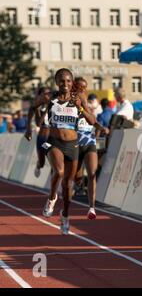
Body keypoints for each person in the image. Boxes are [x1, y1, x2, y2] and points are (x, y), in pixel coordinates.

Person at [32, 68, 96, 235]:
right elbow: (33, 106)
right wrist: (29, 126)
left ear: (72, 82)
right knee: (59, 171)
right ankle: (52, 198)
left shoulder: (79, 98)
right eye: (62, 81)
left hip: (73, 144)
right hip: (53, 142)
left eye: (68, 81)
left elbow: (92, 120)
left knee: (68, 185)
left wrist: (80, 108)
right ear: (56, 82)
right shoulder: (49, 97)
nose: (65, 84)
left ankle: (65, 215)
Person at [74, 78, 109, 220]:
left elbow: (92, 120)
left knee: (92, 173)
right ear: (74, 87)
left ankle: (91, 208)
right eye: (80, 87)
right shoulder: (69, 103)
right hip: (75, 143)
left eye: (85, 87)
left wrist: (100, 127)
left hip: (89, 141)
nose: (83, 90)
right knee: (77, 178)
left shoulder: (84, 104)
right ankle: (78, 183)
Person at [25, 87, 53, 177]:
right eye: (44, 94)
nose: (47, 96)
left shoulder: (55, 105)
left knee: (53, 159)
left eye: (48, 94)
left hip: (51, 139)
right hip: (42, 138)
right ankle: (38, 165)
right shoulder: (38, 107)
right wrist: (45, 111)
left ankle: (55, 185)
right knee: (42, 162)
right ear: (40, 95)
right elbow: (38, 123)